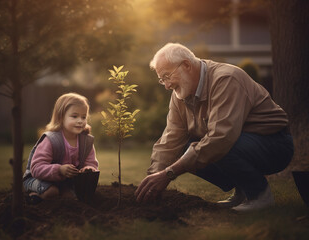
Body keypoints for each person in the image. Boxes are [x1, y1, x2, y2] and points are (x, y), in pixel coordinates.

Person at [135, 43, 294, 211]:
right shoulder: (179, 95)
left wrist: (169, 173)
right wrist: (153, 179)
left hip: (275, 144)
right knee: (185, 150)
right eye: (162, 80)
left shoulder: (226, 79)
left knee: (219, 145)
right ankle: (242, 192)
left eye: (167, 76)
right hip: (239, 143)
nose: (167, 85)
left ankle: (260, 195)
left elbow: (221, 138)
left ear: (186, 65)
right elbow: (170, 139)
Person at [23, 93, 99, 204]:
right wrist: (59, 169)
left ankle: (58, 194)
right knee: (52, 192)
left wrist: (88, 169)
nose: (80, 121)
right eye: (74, 116)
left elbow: (91, 163)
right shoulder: (51, 140)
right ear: (61, 117)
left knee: (70, 197)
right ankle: (34, 195)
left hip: (64, 182)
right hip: (37, 179)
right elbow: (36, 168)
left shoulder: (86, 141)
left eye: (83, 117)